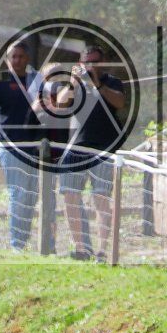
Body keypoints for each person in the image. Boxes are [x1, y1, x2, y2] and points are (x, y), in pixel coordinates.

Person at [50, 45, 128, 260]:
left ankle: (104, 250)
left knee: (101, 199)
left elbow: (119, 102)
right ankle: (81, 248)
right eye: (86, 62)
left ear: (102, 63)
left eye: (94, 61)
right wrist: (74, 82)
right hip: (76, 148)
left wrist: (98, 83)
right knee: (69, 196)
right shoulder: (76, 84)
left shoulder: (111, 82)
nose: (90, 65)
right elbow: (60, 103)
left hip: (103, 149)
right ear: (80, 63)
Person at [0, 39, 46, 251]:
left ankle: (23, 240)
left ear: (28, 58)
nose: (17, 60)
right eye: (13, 56)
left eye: (21, 56)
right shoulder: (0, 84)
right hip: (10, 147)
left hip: (33, 146)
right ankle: (16, 245)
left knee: (31, 196)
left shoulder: (35, 81)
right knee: (18, 194)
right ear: (7, 59)